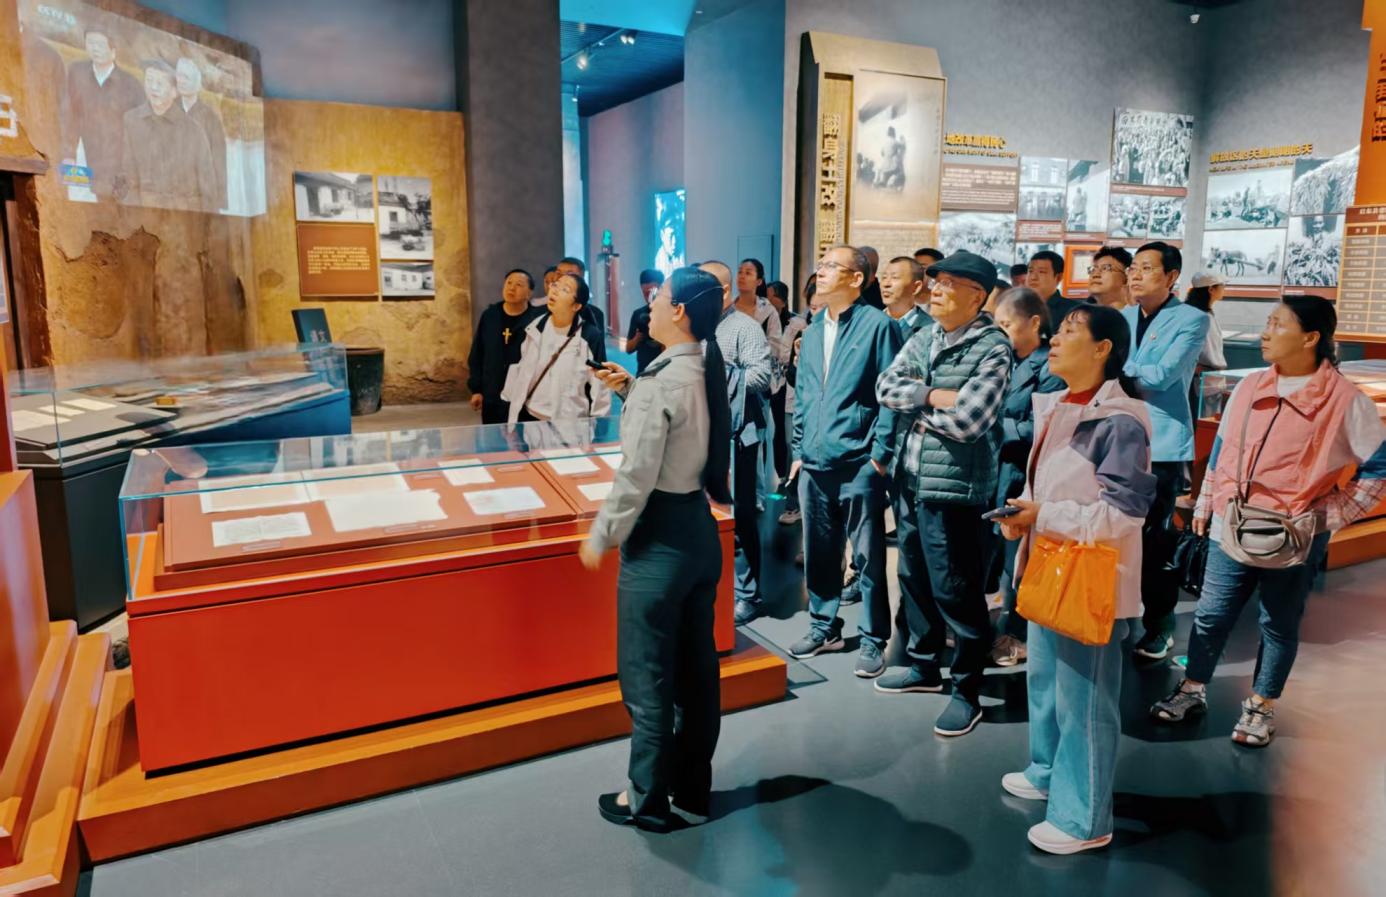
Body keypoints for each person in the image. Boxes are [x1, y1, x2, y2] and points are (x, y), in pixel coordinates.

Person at [1150, 296, 1386, 748]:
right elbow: (1224, 447)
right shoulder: (1250, 385)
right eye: (1267, 323)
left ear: (1311, 338)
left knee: (1278, 622)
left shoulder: (1345, 401)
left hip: (1294, 535)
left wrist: (1328, 515)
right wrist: (1207, 501)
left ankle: (1261, 706)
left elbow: (1378, 469)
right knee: (1211, 614)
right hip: (1231, 522)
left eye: (1278, 324)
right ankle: (1192, 688)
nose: (1265, 333)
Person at [998, 304, 1156, 856]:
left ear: (1102, 348)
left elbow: (1124, 515)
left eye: (1069, 331)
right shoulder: (1063, 404)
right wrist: (1027, 516)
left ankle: (1084, 818)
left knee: (1084, 700)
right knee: (1045, 682)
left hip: (1089, 576)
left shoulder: (1119, 421)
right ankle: (1047, 771)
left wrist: (1042, 514)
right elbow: (1055, 489)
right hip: (1051, 564)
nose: (1055, 339)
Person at [580, 266, 733, 832]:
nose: (653, 305)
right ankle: (691, 788)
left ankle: (645, 798)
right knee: (697, 673)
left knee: (647, 677)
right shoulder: (701, 367)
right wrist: (632, 391)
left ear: (680, 312)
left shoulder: (662, 382)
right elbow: (686, 435)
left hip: (659, 540)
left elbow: (637, 474)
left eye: (662, 297)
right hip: (698, 527)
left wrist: (602, 533)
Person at [874, 250, 1012, 736]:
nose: (936, 289)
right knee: (912, 576)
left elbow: (970, 422)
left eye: (949, 283)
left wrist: (915, 401)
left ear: (977, 296)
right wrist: (933, 396)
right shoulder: (925, 335)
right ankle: (923, 665)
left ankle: (967, 690)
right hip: (910, 479)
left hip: (955, 488)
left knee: (956, 590)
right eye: (936, 281)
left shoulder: (993, 348)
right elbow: (885, 387)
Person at [784, 245, 902, 677]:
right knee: (819, 552)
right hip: (814, 464)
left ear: (856, 279)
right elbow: (804, 394)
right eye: (821, 265)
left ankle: (873, 638)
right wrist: (799, 451)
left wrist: (880, 457)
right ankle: (823, 626)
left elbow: (892, 395)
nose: (821, 271)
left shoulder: (879, 327)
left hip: (859, 463)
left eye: (831, 266)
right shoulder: (814, 328)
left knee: (868, 558)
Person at [1121, 241, 1210, 660]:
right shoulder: (1123, 316)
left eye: (1146, 268)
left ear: (1172, 277)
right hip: (1118, 436)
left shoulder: (1192, 319)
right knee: (1117, 532)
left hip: (1162, 444)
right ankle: (1120, 612)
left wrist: (1117, 368)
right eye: (1133, 267)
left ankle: (1160, 624)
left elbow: (1162, 376)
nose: (1135, 274)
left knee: (1154, 540)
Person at [985, 287, 1064, 668]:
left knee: (1016, 560)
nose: (1001, 333)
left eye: (1007, 325)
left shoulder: (1049, 367)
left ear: (1034, 323)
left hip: (1022, 473)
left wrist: (993, 424)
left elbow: (1046, 425)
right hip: (994, 470)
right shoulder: (1001, 360)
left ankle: (1016, 634)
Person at [703, 260, 773, 625]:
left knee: (739, 516)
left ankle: (748, 593)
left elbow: (762, 376)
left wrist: (719, 377)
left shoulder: (745, 327)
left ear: (725, 291)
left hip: (737, 439)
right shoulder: (694, 327)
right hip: (700, 436)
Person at [501, 273, 611, 424]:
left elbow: (600, 385)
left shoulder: (589, 336)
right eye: (555, 285)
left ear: (576, 306)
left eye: (565, 289)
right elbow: (518, 370)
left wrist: (601, 425)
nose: (555, 291)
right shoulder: (534, 327)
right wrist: (510, 416)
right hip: (530, 418)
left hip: (570, 424)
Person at [116, 59, 217, 212]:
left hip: (183, 216)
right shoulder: (131, 120)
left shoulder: (194, 132)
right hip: (145, 215)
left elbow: (208, 190)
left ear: (174, 91)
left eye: (160, 83)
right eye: (149, 80)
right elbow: (128, 174)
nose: (153, 87)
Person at [63, 28, 144, 196]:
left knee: (109, 206)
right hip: (81, 158)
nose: (95, 48)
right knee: (77, 204)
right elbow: (67, 115)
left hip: (116, 168)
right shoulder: (76, 72)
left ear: (113, 50)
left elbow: (139, 132)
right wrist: (68, 153)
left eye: (100, 44)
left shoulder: (131, 84)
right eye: (90, 43)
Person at [468, 269, 542, 424]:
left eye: (519, 285)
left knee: (522, 435)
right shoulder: (490, 315)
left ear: (529, 293)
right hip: (492, 393)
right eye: (509, 283)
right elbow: (477, 353)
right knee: (493, 436)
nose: (512, 288)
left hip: (524, 395)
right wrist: (477, 390)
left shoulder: (536, 320)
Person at [777, 279, 819, 527]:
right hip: (798, 406)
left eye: (821, 307)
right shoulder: (804, 333)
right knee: (794, 451)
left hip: (825, 413)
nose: (816, 313)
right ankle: (793, 504)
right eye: (813, 308)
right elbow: (792, 377)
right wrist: (798, 362)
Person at [175, 57, 227, 212]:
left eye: (186, 77)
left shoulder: (210, 118)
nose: (181, 81)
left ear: (197, 83)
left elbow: (219, 161)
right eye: (179, 76)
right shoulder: (169, 110)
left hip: (200, 194)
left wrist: (219, 200)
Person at [1185, 271, 1229, 419]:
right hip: (1203, 378)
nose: (1224, 289)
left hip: (1206, 378)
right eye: (1222, 286)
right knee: (1204, 420)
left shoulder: (1199, 313)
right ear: (1211, 289)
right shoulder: (1201, 316)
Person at [879, 256, 932, 336]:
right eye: (884, 277)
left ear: (916, 287)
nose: (886, 284)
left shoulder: (930, 329)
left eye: (895, 277)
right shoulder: (869, 321)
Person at [626, 269, 665, 374]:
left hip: (664, 371)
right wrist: (637, 338)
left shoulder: (669, 313)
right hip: (642, 371)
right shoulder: (638, 314)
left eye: (653, 293)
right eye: (646, 293)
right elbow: (628, 349)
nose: (649, 298)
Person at [1027, 250, 1081, 325]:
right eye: (1030, 271)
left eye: (1041, 272)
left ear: (1058, 277)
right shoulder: (1018, 307)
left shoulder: (1074, 311)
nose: (1033, 277)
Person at [557, 257, 606, 335]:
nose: (562, 278)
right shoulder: (541, 312)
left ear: (582, 279)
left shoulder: (595, 314)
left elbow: (597, 341)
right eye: (558, 274)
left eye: (569, 274)